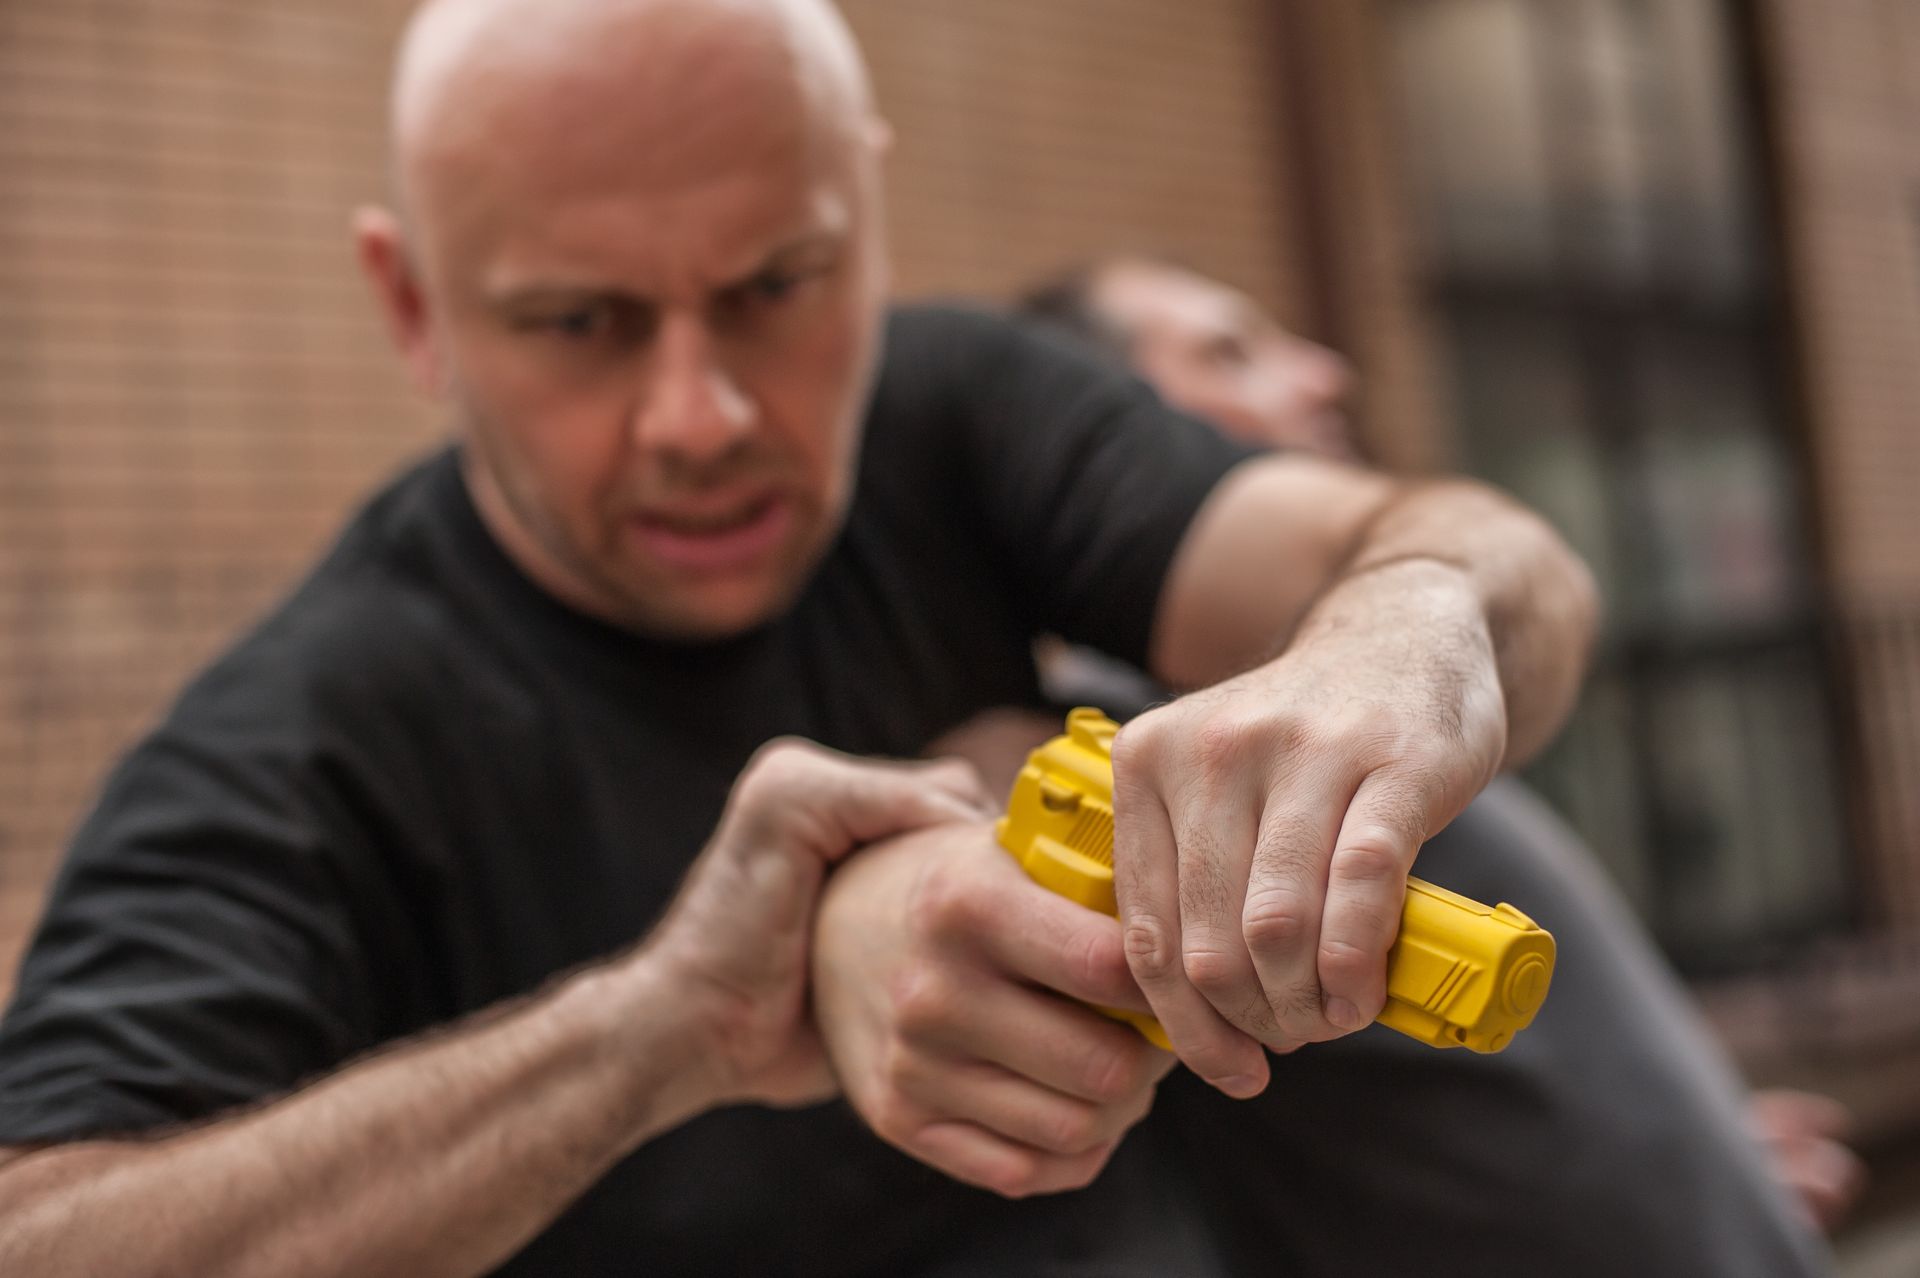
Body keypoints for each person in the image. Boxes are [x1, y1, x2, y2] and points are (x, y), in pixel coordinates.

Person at [0, 2, 1829, 1274]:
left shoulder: (949, 417)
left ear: (866, 212)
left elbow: (1473, 554)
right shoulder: (308, 734)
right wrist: (666, 1030)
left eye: (777, 285)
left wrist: (1401, 632)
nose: (703, 409)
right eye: (580, 323)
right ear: (413, 305)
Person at [1012, 253, 1868, 1233]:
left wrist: (1692, 1149)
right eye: (1231, 352)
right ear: (1102, 434)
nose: (1325, 373)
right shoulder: (1140, 761)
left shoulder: (1329, 670)